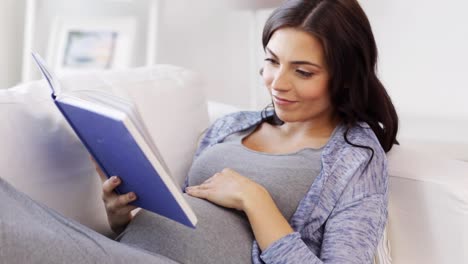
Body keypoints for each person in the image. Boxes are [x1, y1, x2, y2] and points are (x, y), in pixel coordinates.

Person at [0, 0, 398, 263]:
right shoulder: (229, 126)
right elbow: (183, 220)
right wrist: (122, 218)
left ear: (346, 78)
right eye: (272, 62)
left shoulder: (354, 159)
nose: (278, 82)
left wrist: (255, 199)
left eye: (303, 71)